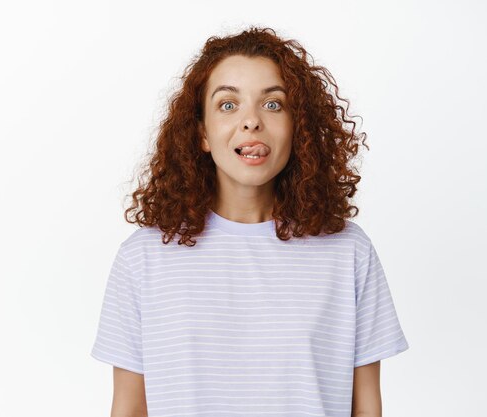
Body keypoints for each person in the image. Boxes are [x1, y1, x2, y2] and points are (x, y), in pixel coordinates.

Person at [90, 26, 409, 417]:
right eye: (228, 105)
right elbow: (129, 409)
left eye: (273, 104)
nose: (251, 121)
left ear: (299, 128)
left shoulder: (348, 252)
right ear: (202, 133)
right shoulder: (142, 259)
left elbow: (367, 408)